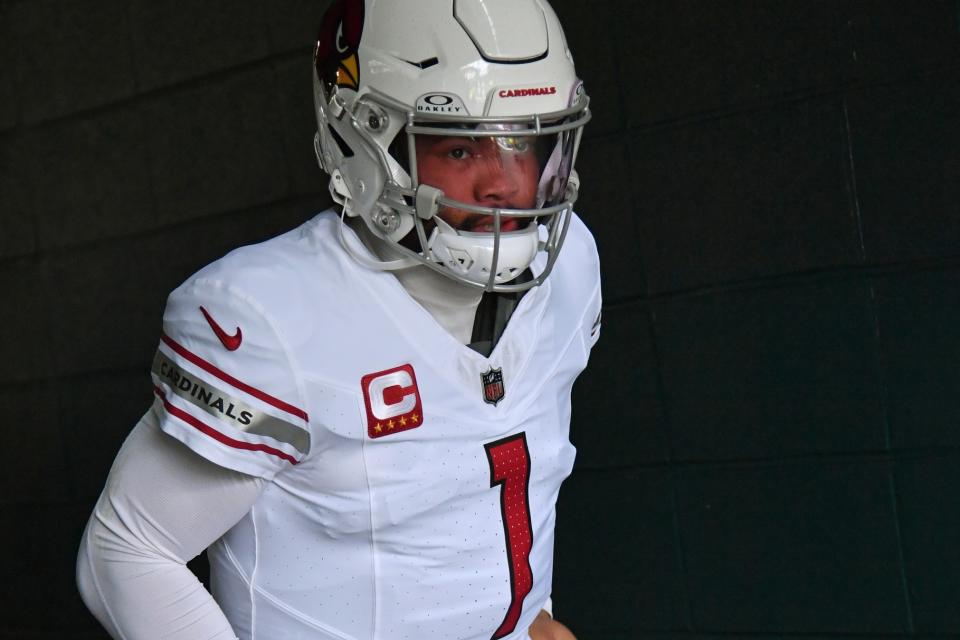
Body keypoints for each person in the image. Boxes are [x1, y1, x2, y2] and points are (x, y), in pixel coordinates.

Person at [76, 0, 599, 638]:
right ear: (361, 140)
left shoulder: (572, 267)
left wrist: (528, 617)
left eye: (524, 142)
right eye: (461, 149)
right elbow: (126, 550)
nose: (507, 185)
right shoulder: (271, 318)